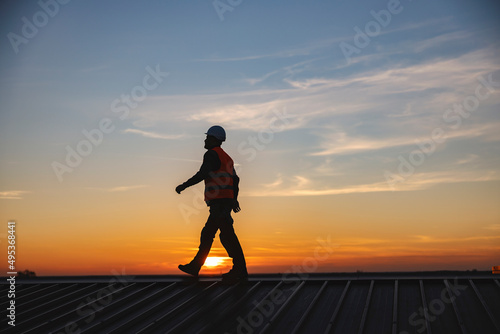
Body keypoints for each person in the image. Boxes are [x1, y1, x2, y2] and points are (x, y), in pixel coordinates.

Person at [175, 125, 248, 281]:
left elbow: (203, 173)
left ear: (214, 139)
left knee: (227, 235)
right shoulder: (227, 157)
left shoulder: (211, 155)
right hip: (224, 201)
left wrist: (184, 185)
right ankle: (195, 266)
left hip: (220, 202)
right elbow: (235, 180)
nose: (205, 140)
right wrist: (234, 198)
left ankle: (240, 270)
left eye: (208, 137)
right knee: (209, 233)